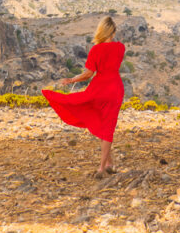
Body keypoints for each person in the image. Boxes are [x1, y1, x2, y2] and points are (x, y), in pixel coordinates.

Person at [42, 15, 125, 177]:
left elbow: (88, 74)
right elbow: (112, 64)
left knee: (102, 124)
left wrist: (72, 79)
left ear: (101, 31)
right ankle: (107, 164)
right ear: (113, 32)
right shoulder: (120, 47)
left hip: (99, 89)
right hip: (115, 89)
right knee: (108, 125)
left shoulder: (95, 50)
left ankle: (104, 166)